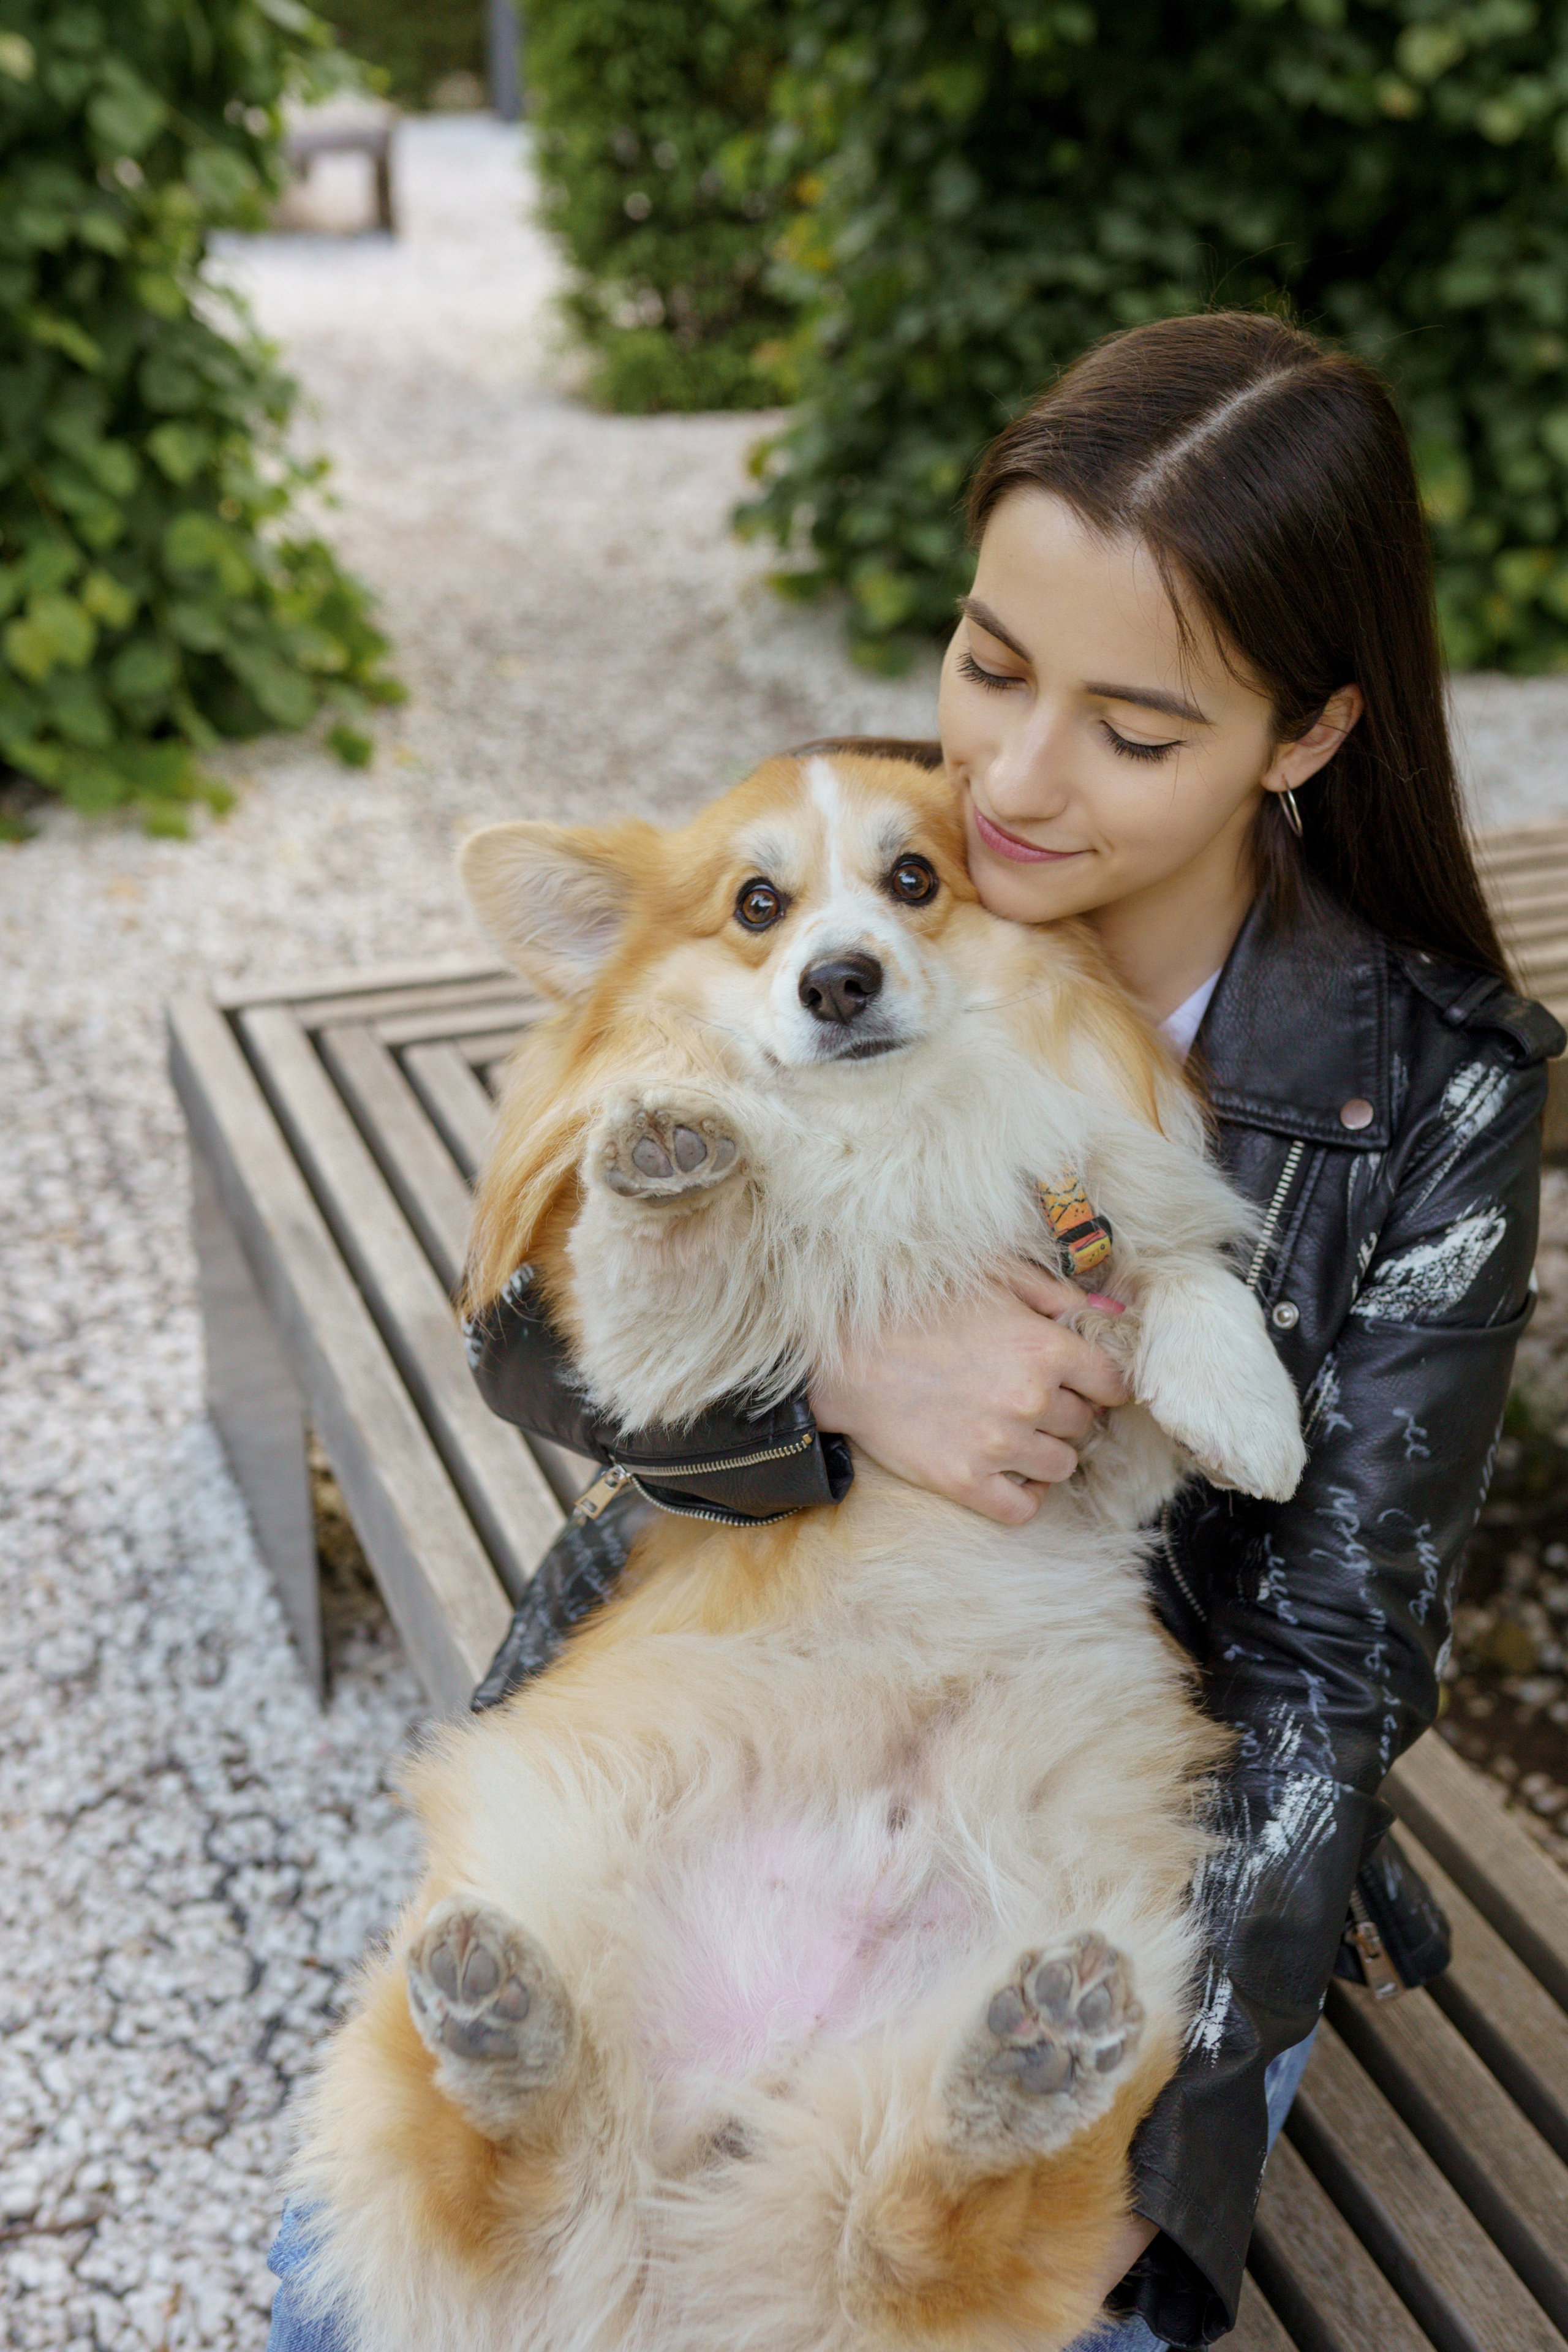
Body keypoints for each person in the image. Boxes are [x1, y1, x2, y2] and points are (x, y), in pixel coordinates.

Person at [268, 311, 1562, 2349]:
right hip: (733, 1697)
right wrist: (843, 1388)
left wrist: (1189, 2115)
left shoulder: (1444, 1088)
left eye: (1135, 731)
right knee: (368, 2308)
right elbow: (527, 1333)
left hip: (1099, 1788)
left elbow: (1334, 1658)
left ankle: (954, 2167)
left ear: (1304, 738)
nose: (1017, 781)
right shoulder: (867, 835)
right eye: (991, 659)